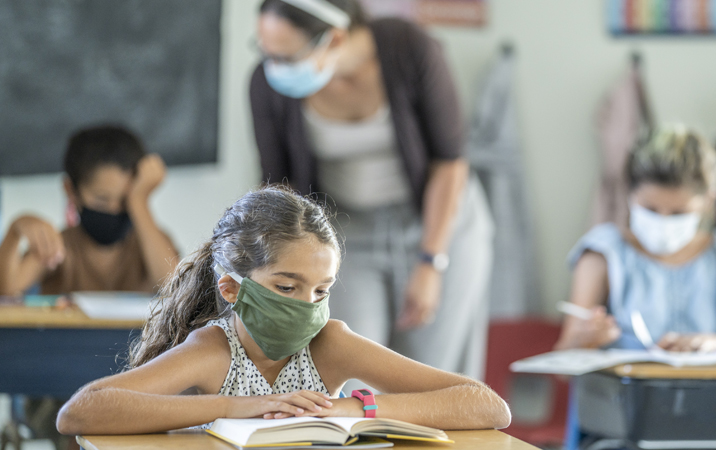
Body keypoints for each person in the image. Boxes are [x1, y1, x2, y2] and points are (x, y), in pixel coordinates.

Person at [55, 187, 511, 435]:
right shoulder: (214, 350)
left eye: (321, 290)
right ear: (233, 287)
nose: (307, 307)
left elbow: (489, 407)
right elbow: (81, 412)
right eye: (287, 287)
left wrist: (352, 408)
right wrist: (239, 407)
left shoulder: (330, 343)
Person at [249, 0, 494, 381]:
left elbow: (449, 161)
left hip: (439, 224)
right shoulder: (267, 83)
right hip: (344, 232)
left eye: (287, 54)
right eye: (266, 52)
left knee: (431, 376)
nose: (273, 67)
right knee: (347, 369)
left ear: (335, 37)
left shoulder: (410, 48)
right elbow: (279, 183)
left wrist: (431, 262)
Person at [555, 124, 716, 353]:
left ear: (708, 201)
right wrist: (584, 341)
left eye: (678, 213)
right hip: (621, 390)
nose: (664, 222)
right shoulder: (603, 253)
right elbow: (563, 361)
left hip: (708, 388)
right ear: (630, 194)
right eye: (651, 209)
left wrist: (715, 343)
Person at [0, 125, 178, 296]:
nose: (115, 209)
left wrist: (139, 202)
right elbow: (7, 290)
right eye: (102, 200)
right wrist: (15, 229)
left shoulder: (152, 243)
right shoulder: (59, 247)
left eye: (125, 200)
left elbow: (174, 288)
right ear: (71, 190)